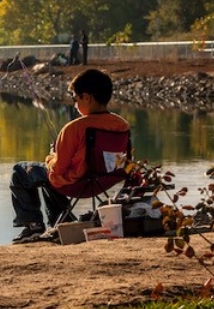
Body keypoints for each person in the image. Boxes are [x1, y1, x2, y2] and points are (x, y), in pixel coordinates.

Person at [9, 68, 130, 243]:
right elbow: (120, 158)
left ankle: (32, 225)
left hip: (76, 183)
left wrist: (52, 156)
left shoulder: (74, 128)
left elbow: (58, 168)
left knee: (20, 171)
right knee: (49, 177)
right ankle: (61, 221)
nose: (74, 104)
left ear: (86, 97)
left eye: (75, 98)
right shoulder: (122, 124)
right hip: (104, 181)